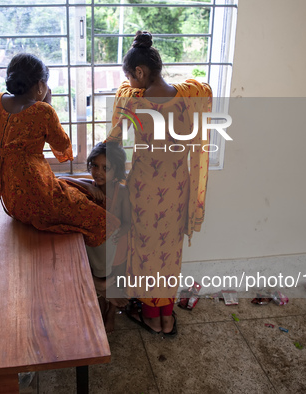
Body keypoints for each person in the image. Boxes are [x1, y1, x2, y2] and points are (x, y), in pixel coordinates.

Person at [108, 31, 212, 336]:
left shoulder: (134, 101)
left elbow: (113, 139)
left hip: (145, 192)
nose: (128, 82)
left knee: (146, 253)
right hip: (178, 190)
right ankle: (167, 317)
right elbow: (201, 87)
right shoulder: (189, 96)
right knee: (170, 253)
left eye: (130, 75)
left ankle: (153, 319)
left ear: (139, 72)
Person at [0, 53, 119, 247]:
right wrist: (47, 105)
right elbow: (63, 147)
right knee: (105, 220)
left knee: (76, 189)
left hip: (9, 198)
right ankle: (99, 272)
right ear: (40, 86)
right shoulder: (43, 111)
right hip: (37, 197)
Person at [60, 142, 130, 332]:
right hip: (97, 248)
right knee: (96, 270)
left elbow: (128, 222)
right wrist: (89, 188)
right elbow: (61, 180)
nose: (98, 172)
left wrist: (118, 233)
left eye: (105, 168)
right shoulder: (91, 187)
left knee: (115, 277)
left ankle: (111, 311)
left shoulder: (121, 192)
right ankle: (99, 305)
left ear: (116, 171)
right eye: (95, 166)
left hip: (116, 244)